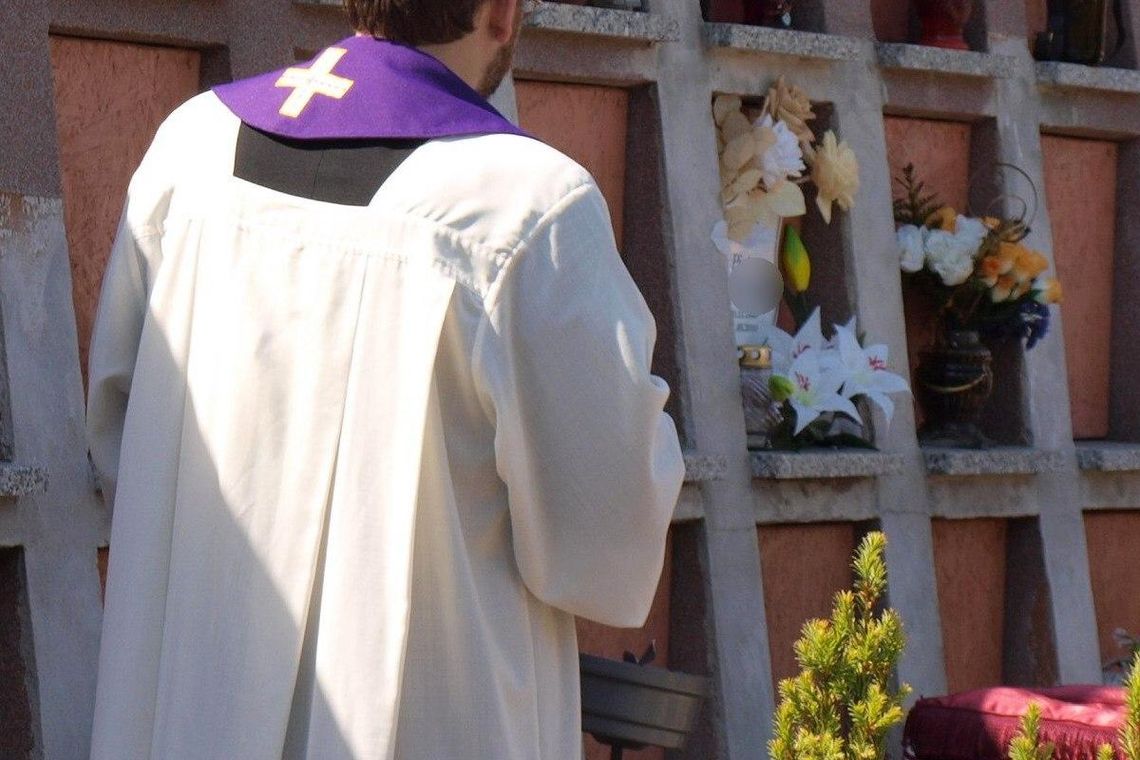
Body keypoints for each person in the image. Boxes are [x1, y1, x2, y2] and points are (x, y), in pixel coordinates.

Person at [84, 0, 685, 758]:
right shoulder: (527, 208)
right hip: (424, 716)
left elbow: (118, 433)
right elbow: (604, 546)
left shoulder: (190, 148)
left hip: (193, 693)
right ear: (501, 12)